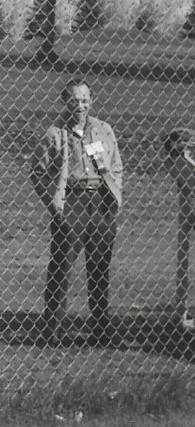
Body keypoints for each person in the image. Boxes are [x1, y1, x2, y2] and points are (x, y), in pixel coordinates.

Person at [30, 78, 123, 346]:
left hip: (101, 204)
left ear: (91, 101)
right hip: (72, 203)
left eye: (84, 100)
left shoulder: (103, 130)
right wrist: (55, 204)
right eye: (74, 100)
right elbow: (37, 172)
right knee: (61, 267)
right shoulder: (55, 134)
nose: (80, 106)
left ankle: (100, 330)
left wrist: (115, 195)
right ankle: (52, 330)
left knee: (99, 268)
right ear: (64, 101)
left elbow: (116, 165)